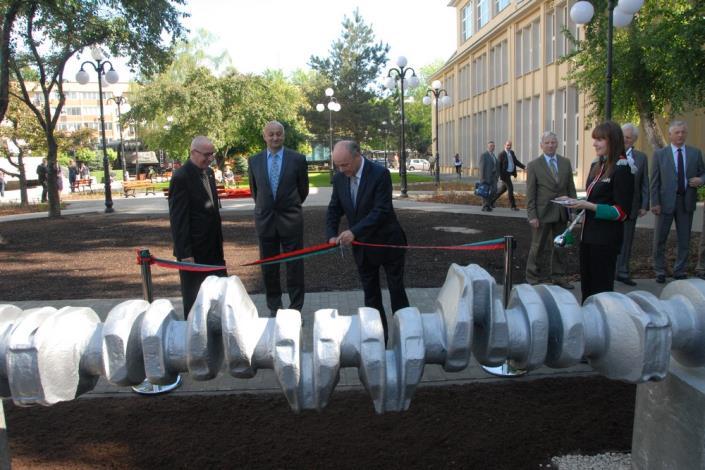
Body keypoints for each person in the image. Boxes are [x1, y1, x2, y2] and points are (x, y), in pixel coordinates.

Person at [326, 140, 409, 343]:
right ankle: (378, 338)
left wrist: (354, 231)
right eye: (337, 165)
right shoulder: (339, 179)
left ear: (357, 156)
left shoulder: (380, 174)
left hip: (388, 244)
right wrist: (331, 234)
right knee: (371, 296)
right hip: (362, 248)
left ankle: (406, 336)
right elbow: (334, 209)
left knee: (396, 292)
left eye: (344, 164)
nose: (341, 169)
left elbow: (381, 211)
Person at [564, 121, 634, 302]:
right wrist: (575, 201)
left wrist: (589, 206)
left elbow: (622, 213)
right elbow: (595, 198)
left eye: (600, 139)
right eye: (595, 139)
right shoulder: (599, 166)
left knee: (601, 290)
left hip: (605, 240)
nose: (594, 143)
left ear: (613, 140)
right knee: (587, 287)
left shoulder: (622, 168)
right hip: (588, 237)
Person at [248, 121, 309, 316]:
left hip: (291, 221)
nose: (275, 138)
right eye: (271, 134)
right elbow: (255, 191)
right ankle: (274, 308)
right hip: (265, 221)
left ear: (284, 135)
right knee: (269, 268)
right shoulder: (254, 160)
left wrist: (290, 206)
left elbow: (303, 190)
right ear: (264, 136)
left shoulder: (297, 159)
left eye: (279, 134)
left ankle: (295, 309)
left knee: (294, 267)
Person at [168, 136, 227, 318]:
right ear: (193, 153)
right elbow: (178, 220)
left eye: (212, 154)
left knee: (220, 294)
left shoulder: (208, 173)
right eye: (206, 154)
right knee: (194, 300)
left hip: (214, 249)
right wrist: (185, 254)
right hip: (193, 253)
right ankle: (194, 339)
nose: (210, 158)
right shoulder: (181, 177)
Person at [651, 120, 705, 283]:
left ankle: (679, 270)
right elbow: (654, 181)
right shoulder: (660, 154)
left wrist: (700, 180)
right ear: (670, 135)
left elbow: (703, 173)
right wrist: (655, 203)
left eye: (683, 132)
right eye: (677, 132)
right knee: (660, 238)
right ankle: (659, 270)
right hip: (665, 202)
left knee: (684, 238)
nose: (680, 135)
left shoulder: (695, 153)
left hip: (685, 202)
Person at [525, 131, 577, 289]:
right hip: (542, 214)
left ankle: (558, 276)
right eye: (547, 143)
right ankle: (532, 277)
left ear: (557, 144)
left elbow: (570, 187)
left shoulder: (565, 162)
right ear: (541, 145)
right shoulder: (534, 165)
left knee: (561, 246)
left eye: (553, 142)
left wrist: (573, 209)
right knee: (537, 246)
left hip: (561, 212)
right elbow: (531, 192)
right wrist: (532, 215)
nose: (550, 145)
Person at [615, 123, 649, 286]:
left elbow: (645, 183)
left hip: (631, 207)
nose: (624, 140)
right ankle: (610, 271)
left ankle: (622, 272)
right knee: (611, 240)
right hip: (612, 206)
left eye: (628, 138)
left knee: (627, 240)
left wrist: (644, 205)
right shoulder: (611, 154)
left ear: (634, 139)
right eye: (622, 137)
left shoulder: (641, 157)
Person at [493, 140, 525, 210]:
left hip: (509, 174)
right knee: (510, 189)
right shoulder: (501, 154)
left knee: (502, 190)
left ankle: (490, 202)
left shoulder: (512, 152)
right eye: (507, 145)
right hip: (504, 175)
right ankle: (513, 206)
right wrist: (498, 176)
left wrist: (524, 167)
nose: (509, 147)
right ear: (504, 145)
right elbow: (498, 166)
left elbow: (516, 161)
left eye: (510, 145)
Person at [479, 141, 499, 212]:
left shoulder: (493, 155)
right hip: (486, 177)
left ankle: (488, 204)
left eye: (493, 146)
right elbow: (481, 167)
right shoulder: (484, 155)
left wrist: (497, 176)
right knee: (485, 192)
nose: (492, 147)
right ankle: (485, 206)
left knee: (494, 190)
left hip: (494, 177)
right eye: (491, 146)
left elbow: (496, 166)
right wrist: (482, 178)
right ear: (488, 147)